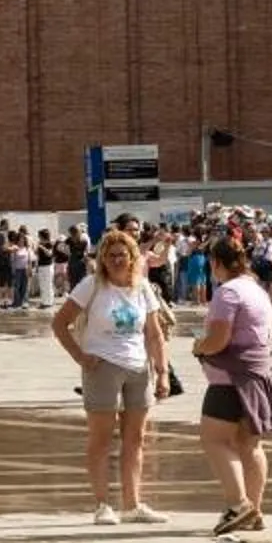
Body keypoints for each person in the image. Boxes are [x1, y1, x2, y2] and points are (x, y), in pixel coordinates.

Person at [54, 225, 171, 526]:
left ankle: (133, 505)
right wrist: (80, 355)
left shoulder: (142, 287)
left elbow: (155, 334)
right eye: (111, 255)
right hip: (101, 365)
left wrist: (162, 373)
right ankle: (102, 504)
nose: (117, 260)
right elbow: (60, 323)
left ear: (134, 257)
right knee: (101, 438)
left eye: (123, 255)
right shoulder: (91, 285)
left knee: (136, 438)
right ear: (102, 259)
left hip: (137, 367)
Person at [191, 236, 272, 534]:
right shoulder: (256, 290)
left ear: (216, 263)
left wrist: (200, 346)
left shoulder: (228, 293)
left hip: (230, 378)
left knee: (214, 440)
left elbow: (219, 339)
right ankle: (255, 510)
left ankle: (239, 504)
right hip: (259, 375)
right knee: (250, 444)